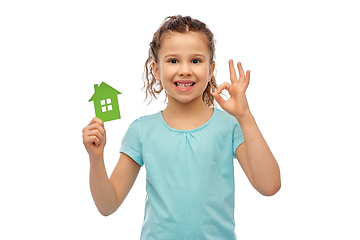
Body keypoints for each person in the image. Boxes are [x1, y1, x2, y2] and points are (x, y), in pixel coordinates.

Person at [82, 15, 281, 239]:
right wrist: (96, 159)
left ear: (211, 68)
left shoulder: (230, 126)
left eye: (196, 60)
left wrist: (245, 116)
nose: (185, 70)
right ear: (156, 69)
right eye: (173, 61)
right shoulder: (141, 131)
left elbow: (269, 186)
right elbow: (108, 205)